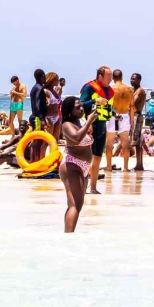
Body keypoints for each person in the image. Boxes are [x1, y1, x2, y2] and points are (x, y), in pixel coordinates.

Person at [58, 97, 95, 232]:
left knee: (75, 204)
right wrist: (89, 120)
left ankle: (68, 233)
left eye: (81, 106)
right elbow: (77, 138)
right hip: (72, 164)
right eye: (77, 107)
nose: (81, 109)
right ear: (69, 111)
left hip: (84, 167)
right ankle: (68, 237)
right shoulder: (66, 125)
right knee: (75, 204)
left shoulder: (80, 123)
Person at [79, 66, 114, 193]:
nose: (111, 79)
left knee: (98, 156)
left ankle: (93, 188)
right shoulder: (89, 88)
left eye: (111, 77)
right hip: (90, 127)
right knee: (86, 158)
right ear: (100, 77)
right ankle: (82, 187)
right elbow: (81, 104)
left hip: (102, 126)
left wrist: (115, 114)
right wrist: (95, 100)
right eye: (108, 77)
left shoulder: (108, 91)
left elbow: (107, 108)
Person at [108, 69, 134, 171]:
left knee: (109, 143)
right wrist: (132, 120)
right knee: (125, 143)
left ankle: (109, 167)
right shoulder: (129, 89)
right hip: (124, 116)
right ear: (122, 77)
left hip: (113, 116)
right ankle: (126, 167)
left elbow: (108, 105)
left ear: (112, 78)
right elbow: (132, 107)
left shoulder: (111, 89)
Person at [129, 73, 148, 172]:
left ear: (139, 80)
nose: (132, 81)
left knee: (137, 142)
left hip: (137, 116)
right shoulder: (134, 90)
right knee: (137, 141)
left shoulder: (140, 91)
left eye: (134, 79)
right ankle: (139, 164)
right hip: (134, 116)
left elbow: (133, 103)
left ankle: (139, 165)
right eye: (131, 79)